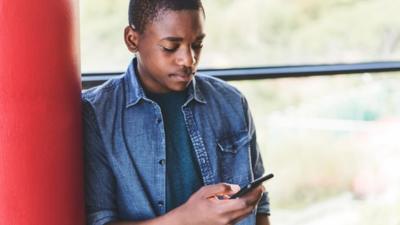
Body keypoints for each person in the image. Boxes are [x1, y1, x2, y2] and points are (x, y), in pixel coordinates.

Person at [82, 0, 271, 224]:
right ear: (132, 39)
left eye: (197, 45)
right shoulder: (96, 113)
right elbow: (99, 220)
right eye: (171, 47)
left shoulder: (231, 101)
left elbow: (261, 204)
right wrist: (186, 219)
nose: (188, 60)